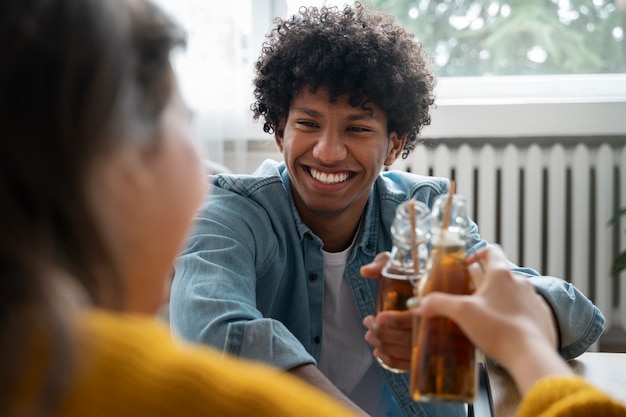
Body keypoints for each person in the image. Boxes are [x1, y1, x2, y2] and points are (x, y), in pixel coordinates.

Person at [169, 3, 605, 417]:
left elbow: (574, 314)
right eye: (307, 123)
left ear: (394, 145)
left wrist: (472, 320)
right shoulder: (230, 213)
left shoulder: (426, 210)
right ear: (280, 130)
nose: (328, 151)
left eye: (357, 128)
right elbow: (213, 332)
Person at [0, 0, 361, 416]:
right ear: (125, 163)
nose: (329, 151)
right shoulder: (183, 397)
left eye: (356, 127)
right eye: (187, 120)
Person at [364, 245, 626, 417]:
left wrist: (519, 314)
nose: (328, 156)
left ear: (394, 154)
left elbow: (577, 311)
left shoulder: (424, 199)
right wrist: (525, 344)